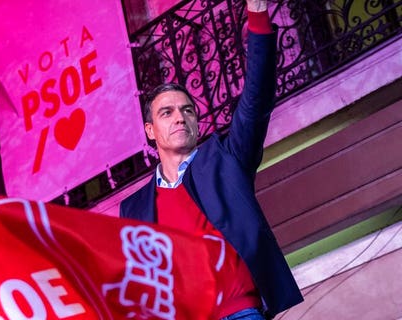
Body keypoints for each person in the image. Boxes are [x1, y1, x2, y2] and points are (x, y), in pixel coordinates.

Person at [119, 0, 304, 319]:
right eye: (167, 112)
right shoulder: (133, 208)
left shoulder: (226, 159)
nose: (179, 117)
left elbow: (255, 101)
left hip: (240, 312)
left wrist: (257, 17)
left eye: (187, 110)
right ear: (150, 131)